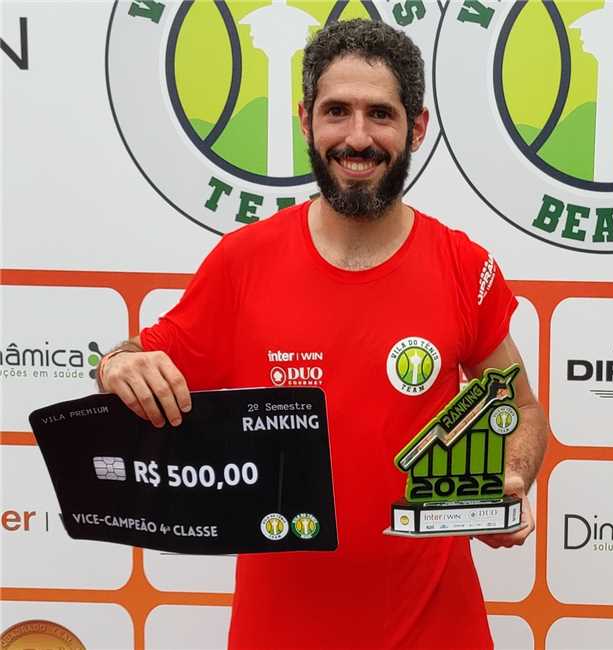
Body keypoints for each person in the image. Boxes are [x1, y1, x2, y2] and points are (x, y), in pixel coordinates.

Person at [97, 19, 547, 649]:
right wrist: (118, 365)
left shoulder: (461, 264)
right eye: (337, 112)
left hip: (437, 631)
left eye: (380, 114)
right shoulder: (242, 263)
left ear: (416, 128)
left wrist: (512, 475)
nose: (357, 138)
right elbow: (139, 361)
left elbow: (521, 408)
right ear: (306, 121)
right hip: (279, 634)